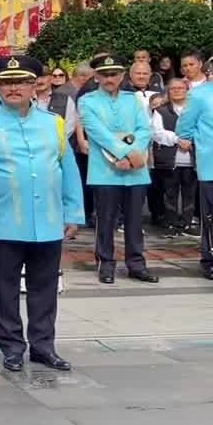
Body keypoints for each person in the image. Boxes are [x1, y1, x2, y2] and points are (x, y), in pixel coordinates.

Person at [0, 56, 82, 372]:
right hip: (4, 224)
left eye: (20, 82)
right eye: (6, 82)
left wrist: (73, 212)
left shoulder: (53, 123)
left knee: (45, 289)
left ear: (35, 86)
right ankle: (12, 347)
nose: (13, 88)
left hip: (48, 221)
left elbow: (68, 170)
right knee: (5, 290)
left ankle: (43, 346)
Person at [79, 54, 158, 284]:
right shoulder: (87, 101)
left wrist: (134, 154)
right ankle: (106, 263)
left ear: (122, 76)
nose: (109, 79)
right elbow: (98, 132)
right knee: (106, 220)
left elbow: (145, 129)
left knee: (135, 221)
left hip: (136, 169)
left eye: (114, 74)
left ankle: (136, 264)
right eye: (104, 74)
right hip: (105, 170)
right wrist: (124, 154)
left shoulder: (133, 100)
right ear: (96, 77)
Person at [175, 78, 213, 280]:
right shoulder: (199, 94)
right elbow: (184, 128)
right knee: (211, 218)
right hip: (211, 165)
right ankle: (210, 260)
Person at [153, 77, 199, 236]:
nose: (177, 90)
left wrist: (190, 139)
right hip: (170, 160)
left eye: (181, 88)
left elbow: (203, 128)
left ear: (187, 90)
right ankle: (171, 224)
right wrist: (178, 140)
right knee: (170, 193)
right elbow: (157, 133)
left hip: (192, 160)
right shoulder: (160, 111)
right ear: (168, 91)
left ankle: (187, 224)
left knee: (189, 194)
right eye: (173, 88)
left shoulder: (195, 110)